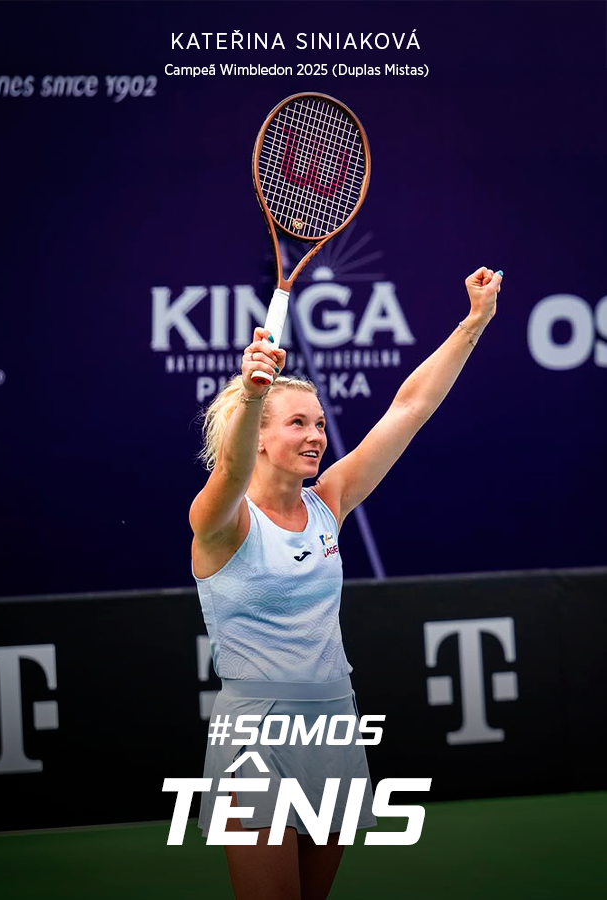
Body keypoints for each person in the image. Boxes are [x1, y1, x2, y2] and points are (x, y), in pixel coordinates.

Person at [190, 266, 503, 900]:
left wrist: (473, 323)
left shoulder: (328, 500)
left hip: (334, 719)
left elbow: (409, 409)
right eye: (297, 424)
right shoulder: (220, 522)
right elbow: (231, 469)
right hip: (256, 731)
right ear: (259, 437)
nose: (315, 436)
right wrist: (251, 395)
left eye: (318, 423)